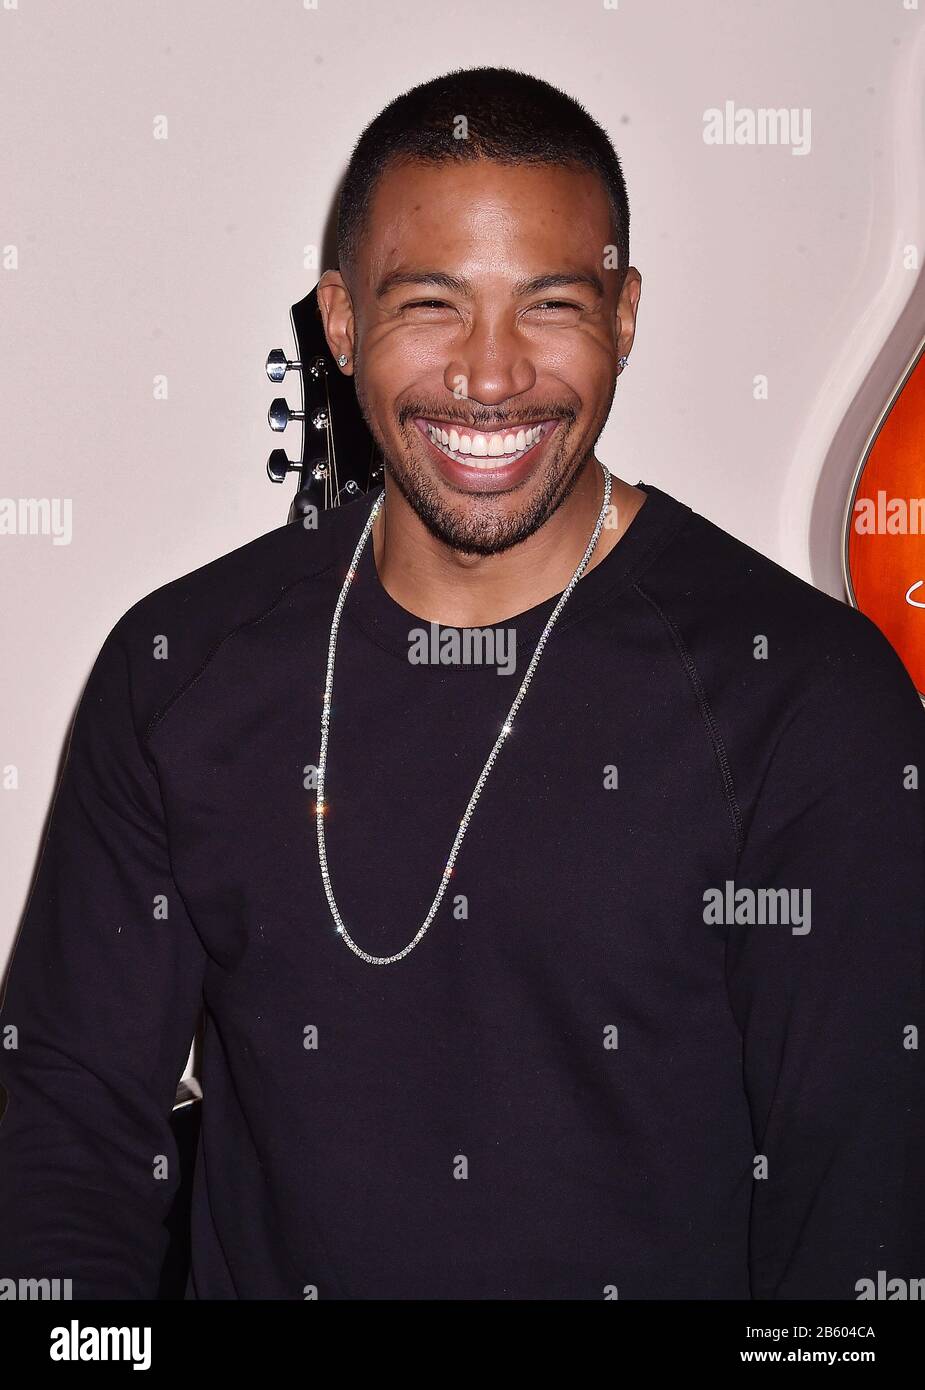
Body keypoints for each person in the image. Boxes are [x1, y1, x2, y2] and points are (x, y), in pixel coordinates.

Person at [1, 65, 923, 1301]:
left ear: (625, 313)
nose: (490, 378)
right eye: (430, 305)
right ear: (339, 321)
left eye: (549, 305)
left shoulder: (804, 697)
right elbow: (69, 1124)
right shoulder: (179, 670)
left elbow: (862, 1213)